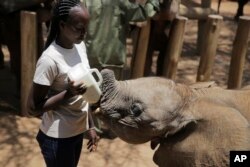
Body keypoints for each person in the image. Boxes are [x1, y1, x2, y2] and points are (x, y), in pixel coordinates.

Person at [26, 1, 99, 167]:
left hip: (77, 131)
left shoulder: (79, 47)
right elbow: (32, 108)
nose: (84, 33)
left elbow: (84, 92)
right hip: (57, 139)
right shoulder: (49, 60)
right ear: (62, 25)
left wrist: (91, 126)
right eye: (79, 28)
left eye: (85, 28)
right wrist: (69, 93)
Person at [81, 0, 160, 80]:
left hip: (87, 59)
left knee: (88, 90)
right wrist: (154, 2)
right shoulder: (120, 2)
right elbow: (142, 13)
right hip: (113, 61)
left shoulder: (84, 2)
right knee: (111, 91)